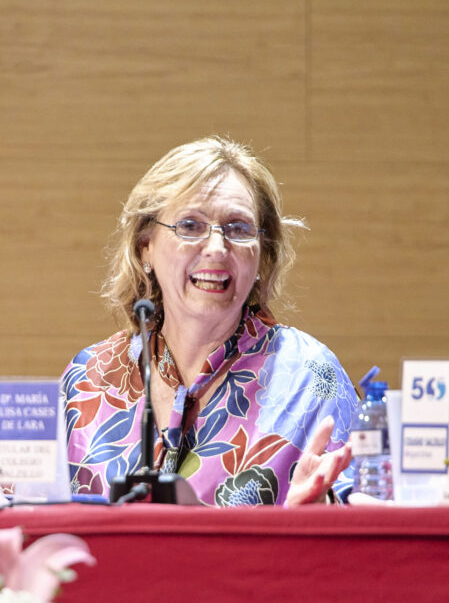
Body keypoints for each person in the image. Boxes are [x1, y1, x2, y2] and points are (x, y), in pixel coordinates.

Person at [62, 136, 356, 506]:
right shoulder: (88, 379)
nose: (217, 248)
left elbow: (368, 512)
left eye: (238, 228)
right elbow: (20, 511)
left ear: (262, 256)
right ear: (145, 247)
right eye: (190, 225)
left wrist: (319, 513)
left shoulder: (310, 376)